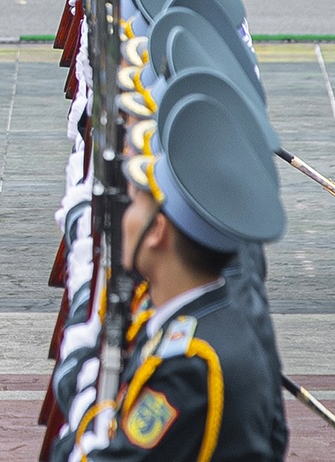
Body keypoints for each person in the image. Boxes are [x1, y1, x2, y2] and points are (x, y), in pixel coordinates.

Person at [57, 71, 287, 459]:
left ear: (157, 231)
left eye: (135, 203)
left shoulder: (192, 364)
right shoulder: (201, 321)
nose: (124, 215)